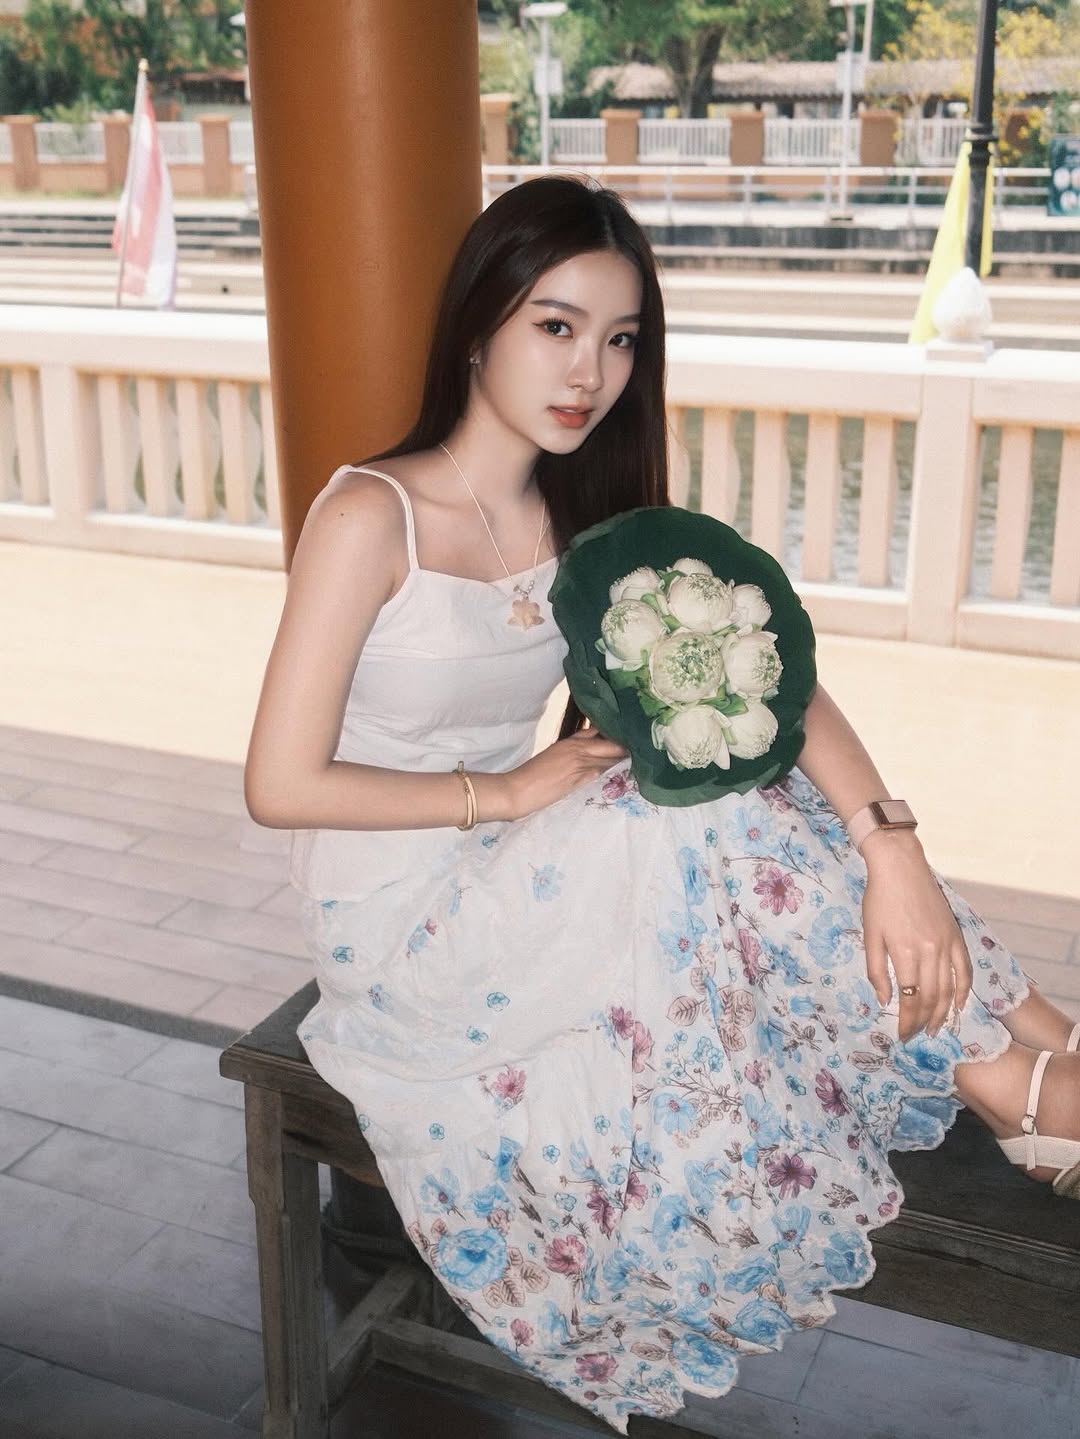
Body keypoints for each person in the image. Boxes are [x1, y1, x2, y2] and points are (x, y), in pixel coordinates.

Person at [245, 176, 1080, 1431]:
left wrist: (891, 844)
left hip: (511, 860)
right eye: (556, 325)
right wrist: (508, 787)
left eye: (621, 338)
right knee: (680, 801)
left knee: (723, 769)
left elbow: (771, 686)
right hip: (396, 919)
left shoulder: (580, 512)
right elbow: (278, 782)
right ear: (477, 326)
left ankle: (1033, 1049)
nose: (591, 371)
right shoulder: (376, 515)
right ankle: (1022, 1074)